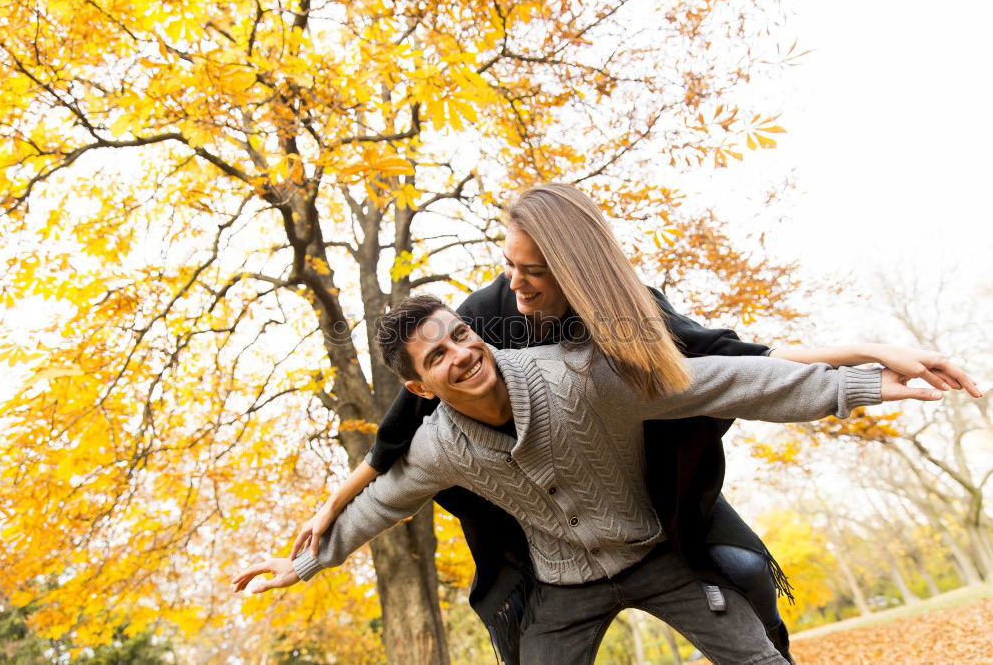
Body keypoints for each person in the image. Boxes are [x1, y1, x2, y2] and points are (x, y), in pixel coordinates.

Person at [275, 183, 980, 662]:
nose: (515, 287)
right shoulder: (484, 317)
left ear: (574, 273)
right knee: (511, 627)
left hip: (654, 538)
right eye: (510, 267)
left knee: (746, 579)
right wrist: (311, 546)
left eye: (535, 272)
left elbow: (732, 367)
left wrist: (866, 373)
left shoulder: (605, 352)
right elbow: (392, 472)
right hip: (559, 577)